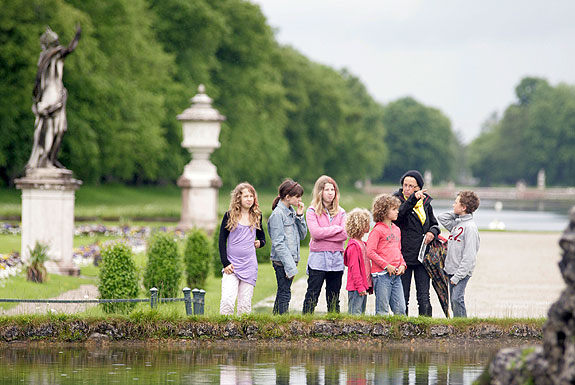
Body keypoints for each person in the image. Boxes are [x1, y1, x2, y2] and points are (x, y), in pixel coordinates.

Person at [27, 25, 81, 170]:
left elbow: (69, 49)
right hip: (49, 96)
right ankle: (44, 158)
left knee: (61, 129)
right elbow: (39, 79)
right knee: (49, 128)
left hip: (56, 94)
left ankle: (51, 158)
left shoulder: (55, 55)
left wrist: (76, 37)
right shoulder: (47, 56)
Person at [393, 170, 440, 316]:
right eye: (405, 185)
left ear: (418, 188)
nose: (406, 188)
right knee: (403, 297)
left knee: (424, 296)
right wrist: (412, 199)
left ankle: (425, 325)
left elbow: (435, 224)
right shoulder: (396, 200)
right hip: (403, 255)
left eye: (411, 186)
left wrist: (432, 232)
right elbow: (398, 216)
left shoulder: (425, 203)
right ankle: (402, 326)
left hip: (422, 256)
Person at [218, 183, 266, 315]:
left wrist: (260, 243)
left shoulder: (257, 216)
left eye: (251, 196)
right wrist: (225, 263)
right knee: (227, 300)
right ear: (238, 198)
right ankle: (224, 331)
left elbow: (262, 237)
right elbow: (222, 241)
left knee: (244, 305)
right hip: (232, 266)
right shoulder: (229, 216)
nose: (249, 199)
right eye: (246, 196)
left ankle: (242, 333)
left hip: (249, 265)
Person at [302, 175, 347, 314]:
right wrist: (336, 229)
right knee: (312, 294)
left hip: (336, 261)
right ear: (320, 192)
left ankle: (334, 325)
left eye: (332, 189)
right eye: (326, 189)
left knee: (334, 297)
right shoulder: (311, 211)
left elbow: (344, 234)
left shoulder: (341, 212)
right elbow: (315, 233)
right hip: (318, 260)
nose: (330, 192)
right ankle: (306, 323)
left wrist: (325, 234)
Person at [438, 191, 480, 318]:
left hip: (461, 272)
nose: (453, 205)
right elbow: (442, 218)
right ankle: (458, 325)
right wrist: (459, 214)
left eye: (456, 203)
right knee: (453, 301)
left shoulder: (470, 228)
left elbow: (470, 256)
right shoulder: (457, 224)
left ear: (464, 207)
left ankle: (462, 326)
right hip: (451, 269)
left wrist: (457, 276)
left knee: (457, 299)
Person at [268, 179, 307, 315]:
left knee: (282, 292)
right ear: (287, 196)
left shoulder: (291, 213)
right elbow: (278, 243)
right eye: (297, 196)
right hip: (282, 261)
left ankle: (276, 321)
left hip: (291, 260)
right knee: (285, 294)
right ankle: (282, 323)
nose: (300, 199)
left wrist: (300, 215)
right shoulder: (277, 215)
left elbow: (303, 235)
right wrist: (289, 266)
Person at [367, 194, 407, 315]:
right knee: (382, 310)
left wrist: (402, 265)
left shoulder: (397, 229)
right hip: (381, 275)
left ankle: (399, 333)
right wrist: (386, 266)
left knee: (401, 309)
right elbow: (370, 251)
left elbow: (398, 250)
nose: (397, 212)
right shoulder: (377, 230)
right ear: (384, 211)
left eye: (397, 209)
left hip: (396, 275)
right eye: (394, 209)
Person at [343, 208, 372, 315]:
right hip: (356, 287)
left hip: (363, 286)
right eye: (366, 223)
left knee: (361, 314)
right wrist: (360, 287)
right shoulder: (354, 246)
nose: (369, 225)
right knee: (355, 315)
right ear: (359, 225)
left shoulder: (363, 244)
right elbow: (354, 269)